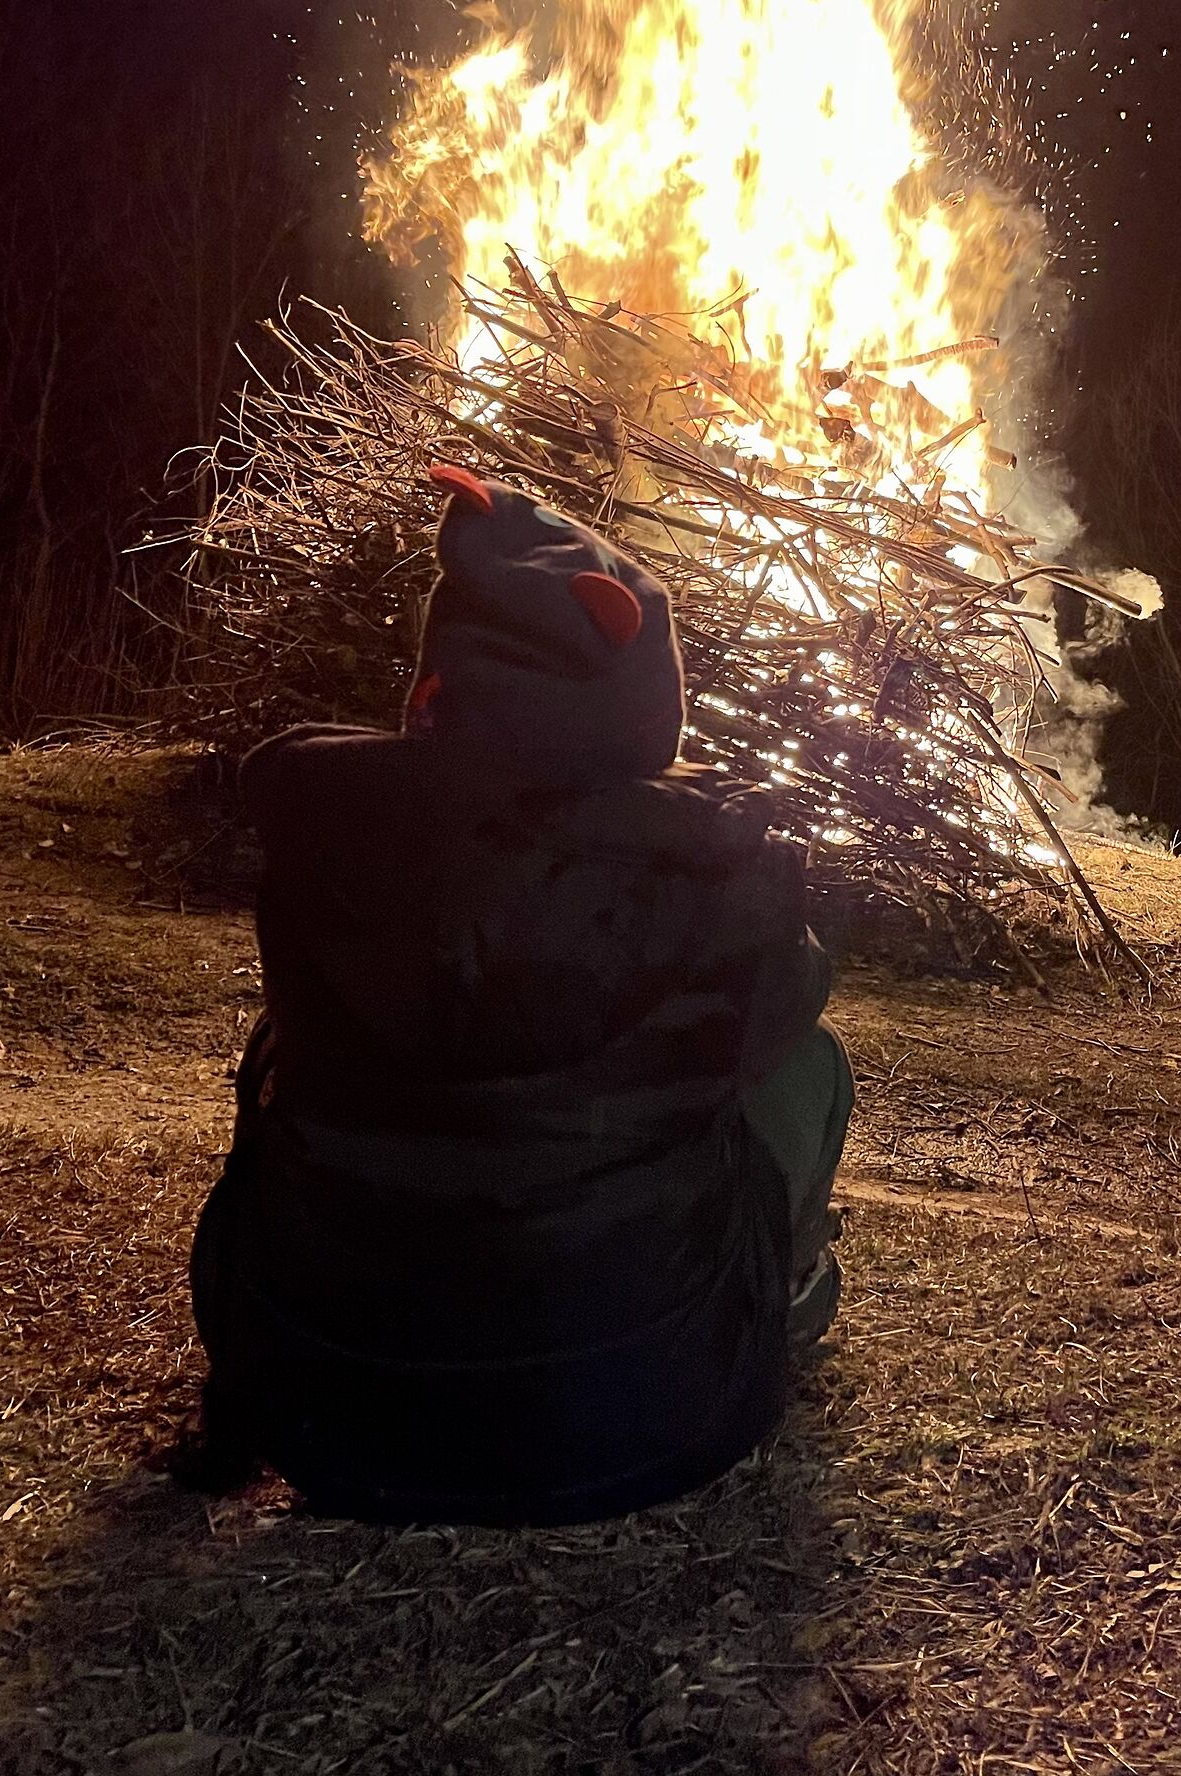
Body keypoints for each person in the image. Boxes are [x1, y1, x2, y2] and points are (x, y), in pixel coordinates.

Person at [187, 465, 852, 1523]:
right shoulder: (713, 868)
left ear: (436, 687)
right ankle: (789, 1290)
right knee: (808, 1063)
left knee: (286, 1046)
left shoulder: (329, 835)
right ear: (637, 713)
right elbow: (793, 998)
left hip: (331, 1417)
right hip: (650, 1419)